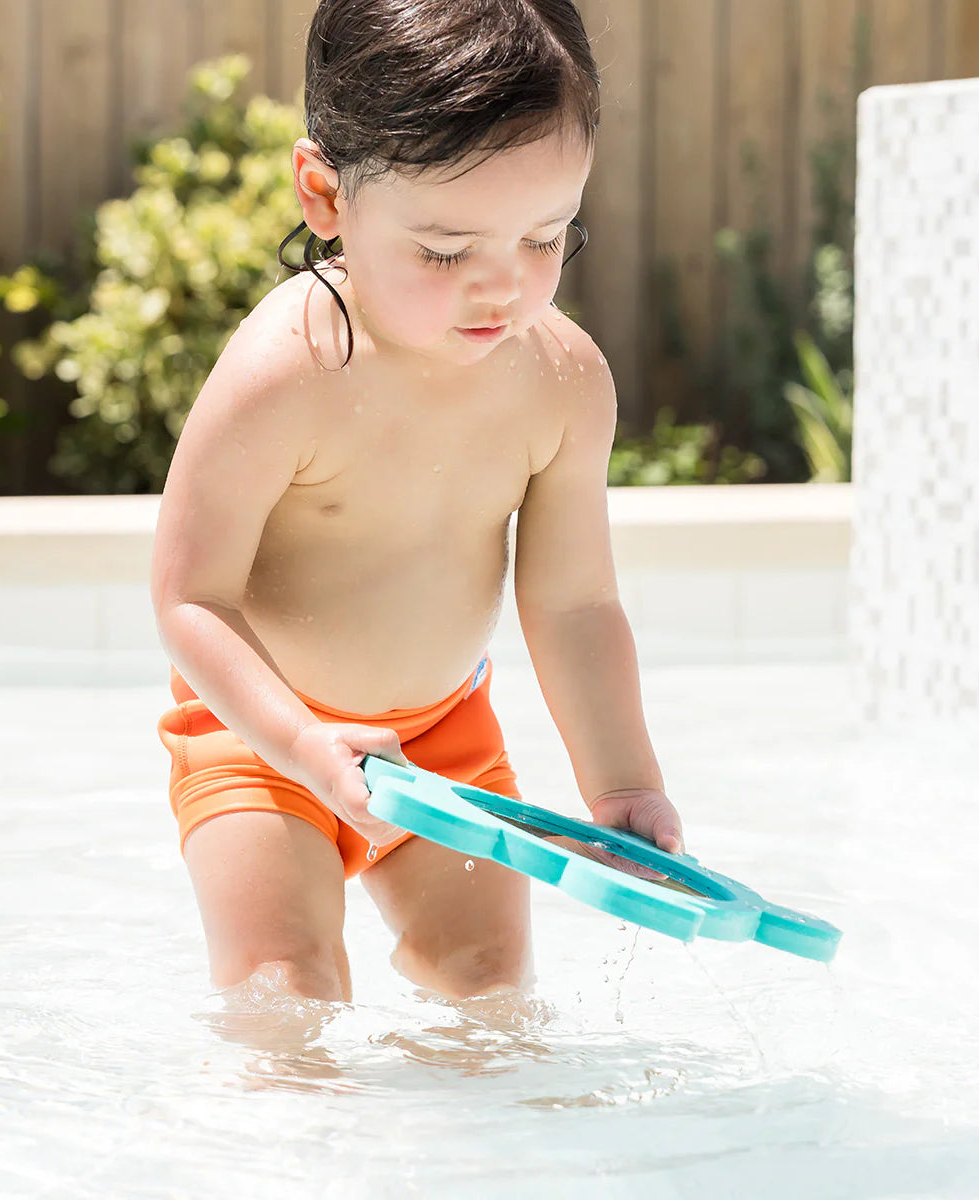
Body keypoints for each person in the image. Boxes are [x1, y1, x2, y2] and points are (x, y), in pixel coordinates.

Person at [152, 0, 685, 1005]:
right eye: (445, 251)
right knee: (284, 983)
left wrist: (623, 782)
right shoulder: (288, 374)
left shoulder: (562, 382)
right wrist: (297, 742)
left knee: (491, 985)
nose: (502, 288)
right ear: (325, 194)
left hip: (444, 737)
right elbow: (189, 598)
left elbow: (574, 605)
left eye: (546, 238)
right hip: (261, 737)